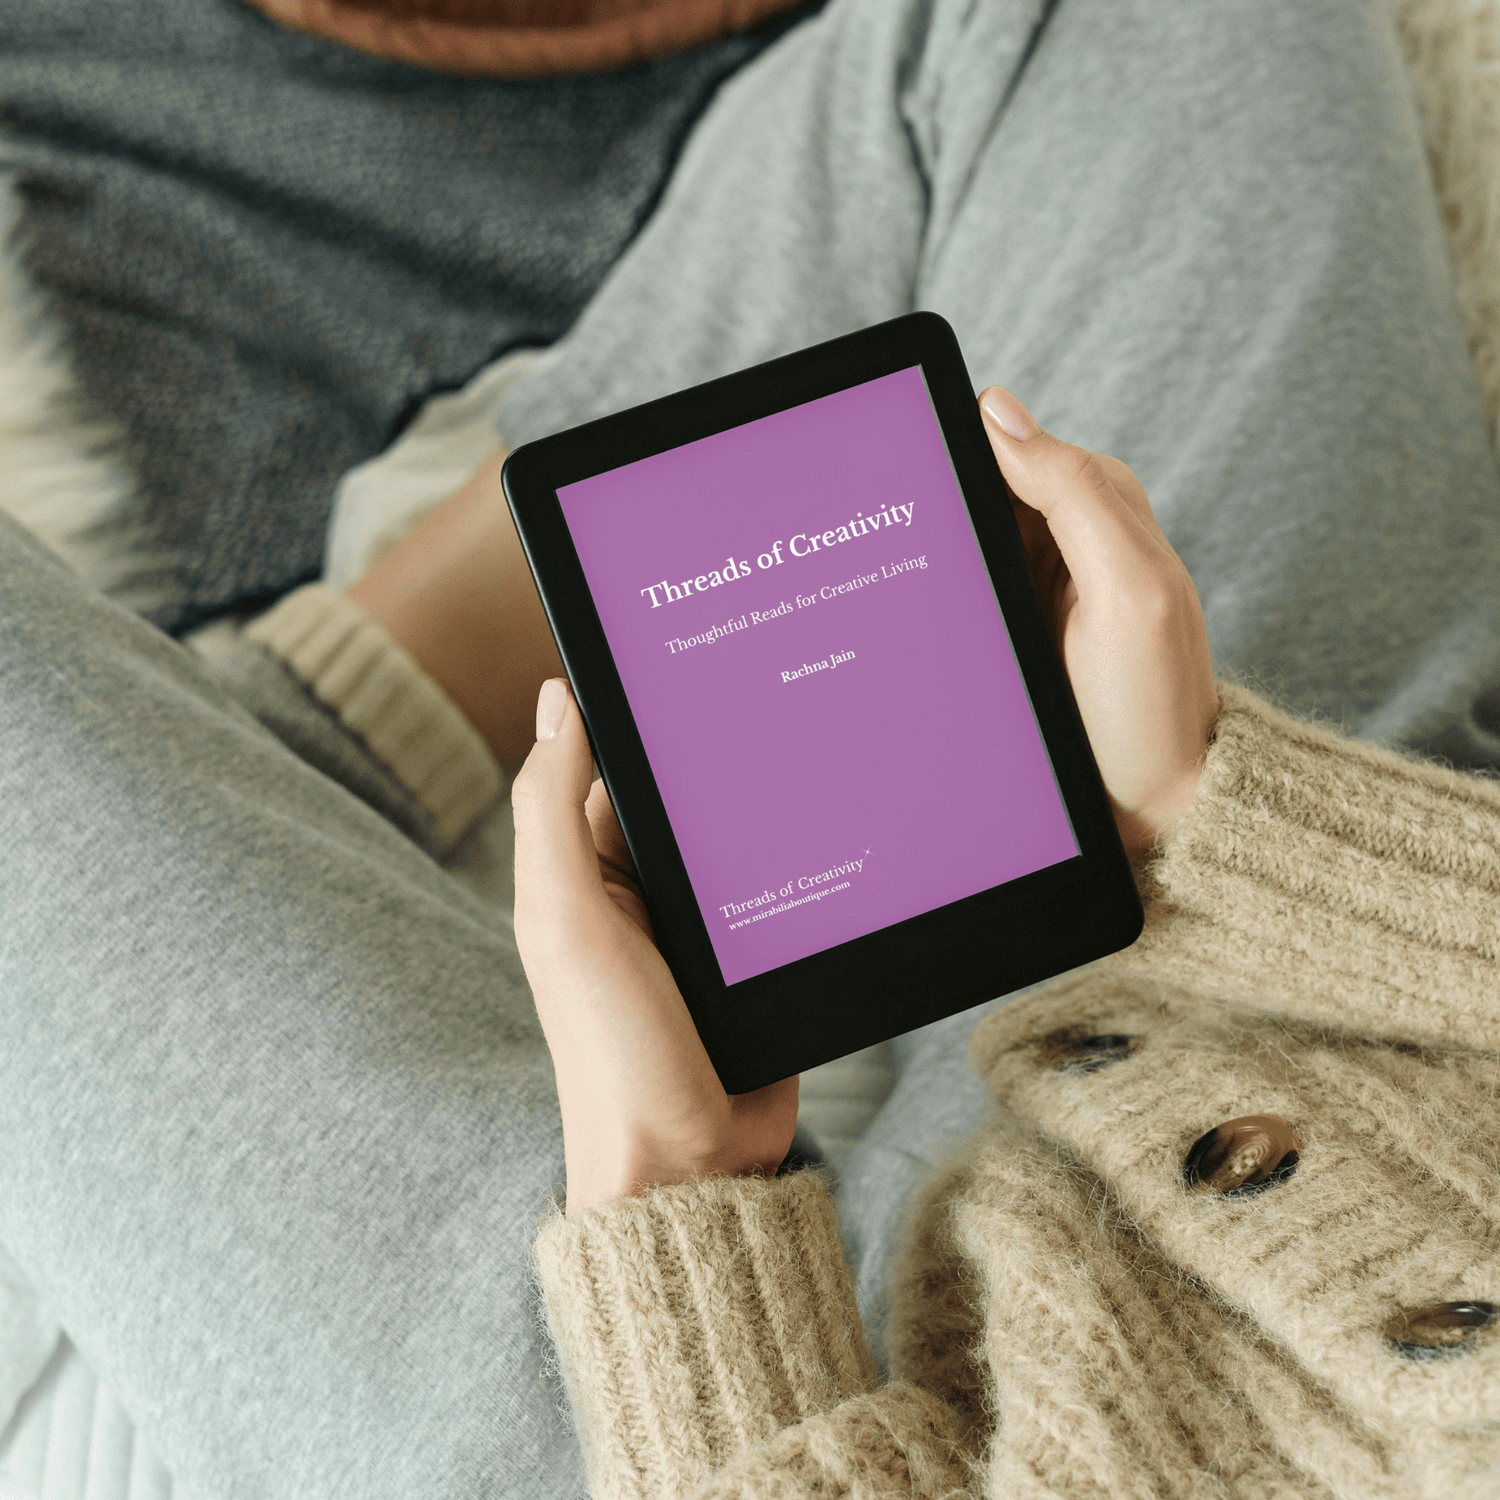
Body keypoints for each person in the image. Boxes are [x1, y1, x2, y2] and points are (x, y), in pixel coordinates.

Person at [3, 0, 1500, 1496]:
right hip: (1356, 996)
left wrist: (676, 1209)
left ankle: (274, 762)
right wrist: (1212, 810)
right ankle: (328, 737)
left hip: (697, 1423)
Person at [516, 387, 1500, 1497]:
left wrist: (669, 1196)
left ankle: (390, 649)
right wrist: (1186, 809)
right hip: (1334, 950)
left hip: (829, 1362)